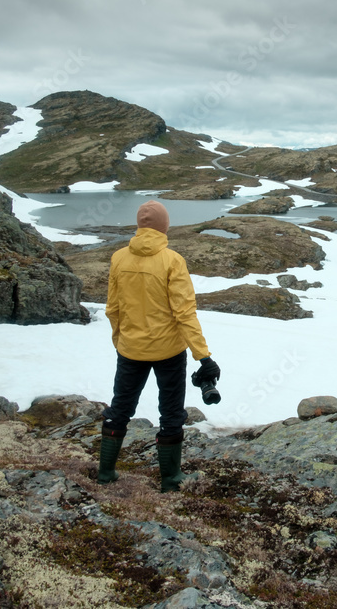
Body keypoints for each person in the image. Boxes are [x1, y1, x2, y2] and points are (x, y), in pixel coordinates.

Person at [97, 200, 220, 492]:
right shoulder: (172, 261)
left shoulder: (119, 258)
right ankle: (170, 479)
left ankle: (105, 473)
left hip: (130, 350)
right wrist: (203, 356)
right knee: (171, 413)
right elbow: (184, 314)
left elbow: (112, 308)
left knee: (120, 408)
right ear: (164, 226)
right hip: (169, 352)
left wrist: (121, 341)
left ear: (140, 226)